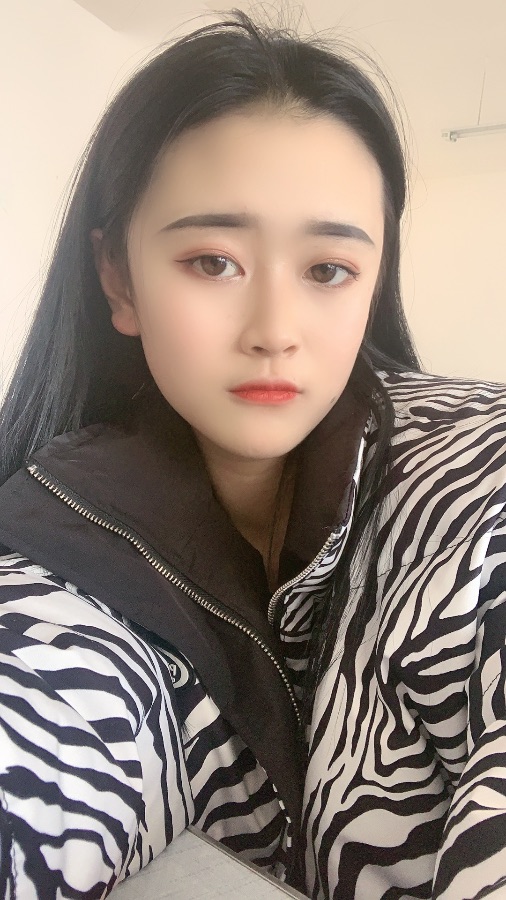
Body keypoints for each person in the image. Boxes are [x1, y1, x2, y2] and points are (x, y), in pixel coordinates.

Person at [0, 11, 505, 900]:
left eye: (327, 270)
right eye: (212, 261)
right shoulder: (53, 547)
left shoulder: (468, 470)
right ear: (119, 278)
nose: (275, 331)